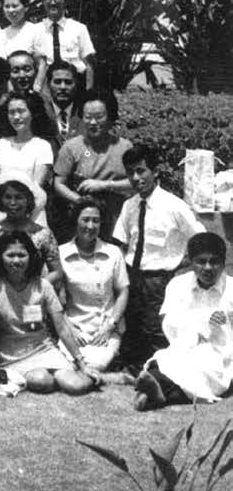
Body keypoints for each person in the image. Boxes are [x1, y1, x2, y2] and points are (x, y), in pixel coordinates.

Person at [114, 143, 199, 370]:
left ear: (155, 171)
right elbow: (121, 242)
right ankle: (134, 368)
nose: (136, 178)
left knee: (157, 327)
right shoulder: (129, 206)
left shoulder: (174, 206)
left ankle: (161, 372)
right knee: (133, 322)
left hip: (161, 278)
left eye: (141, 170)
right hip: (134, 276)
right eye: (131, 172)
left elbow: (200, 240)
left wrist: (180, 266)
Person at [0, 229, 94, 394]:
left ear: (31, 257)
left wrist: (82, 363)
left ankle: (94, 376)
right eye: (10, 255)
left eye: (22, 255)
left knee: (74, 386)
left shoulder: (43, 286)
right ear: (0, 256)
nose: (16, 260)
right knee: (41, 380)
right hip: (12, 356)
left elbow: (62, 327)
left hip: (44, 350)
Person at [135, 232, 233, 411]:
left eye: (214, 261)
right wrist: (201, 324)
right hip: (184, 345)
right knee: (167, 360)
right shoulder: (178, 285)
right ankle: (158, 388)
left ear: (223, 262)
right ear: (191, 262)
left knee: (206, 369)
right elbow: (168, 322)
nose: (208, 267)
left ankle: (157, 392)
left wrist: (219, 325)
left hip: (221, 353)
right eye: (201, 261)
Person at [57, 198, 128, 376]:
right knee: (69, 366)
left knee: (94, 366)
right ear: (76, 221)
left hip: (105, 329)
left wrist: (109, 327)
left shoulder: (113, 253)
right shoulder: (61, 253)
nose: (90, 225)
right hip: (75, 328)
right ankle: (116, 379)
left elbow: (123, 291)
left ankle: (111, 374)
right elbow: (54, 299)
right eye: (85, 219)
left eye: (95, 220)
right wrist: (69, 329)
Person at [51, 95, 132, 231]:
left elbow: (135, 182)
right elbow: (59, 184)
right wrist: (82, 203)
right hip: (83, 218)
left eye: (99, 117)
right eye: (88, 117)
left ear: (110, 116)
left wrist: (105, 185)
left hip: (117, 218)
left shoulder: (125, 147)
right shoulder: (71, 147)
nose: (93, 122)